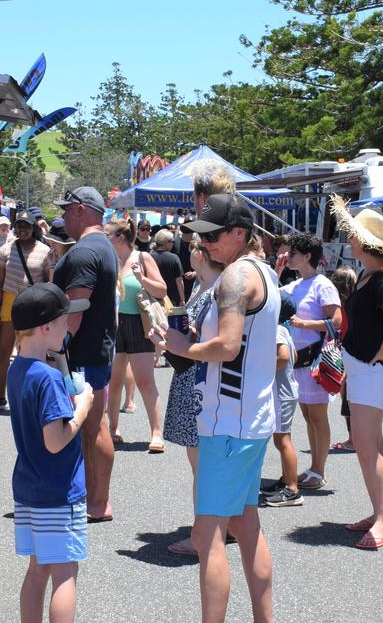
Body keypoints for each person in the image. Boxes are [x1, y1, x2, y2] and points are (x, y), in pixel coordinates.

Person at [159, 193, 279, 623]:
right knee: (245, 526)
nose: (204, 244)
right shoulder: (262, 272)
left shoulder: (234, 278)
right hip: (247, 419)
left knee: (207, 533)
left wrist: (183, 345)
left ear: (239, 234)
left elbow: (228, 348)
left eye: (212, 236)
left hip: (227, 422)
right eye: (201, 235)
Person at [7, 283, 94, 623]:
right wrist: (83, 406)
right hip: (59, 490)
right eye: (64, 321)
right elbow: (55, 440)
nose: (69, 326)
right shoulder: (49, 380)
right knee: (64, 572)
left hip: (29, 487)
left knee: (38, 569)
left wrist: (57, 363)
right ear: (46, 327)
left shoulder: (19, 369)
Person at [330, 203, 383, 551]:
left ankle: (382, 519)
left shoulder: (378, 278)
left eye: (353, 235)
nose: (349, 239)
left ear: (364, 242)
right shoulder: (368, 274)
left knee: (366, 445)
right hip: (365, 368)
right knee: (372, 444)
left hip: (372, 370)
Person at [52, 187, 118, 523]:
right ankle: (95, 499)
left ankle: (96, 501)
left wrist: (55, 347)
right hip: (95, 350)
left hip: (81, 353)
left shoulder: (84, 252)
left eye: (66, 210)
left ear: (80, 210)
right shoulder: (102, 246)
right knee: (93, 425)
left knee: (90, 426)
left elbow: (75, 308)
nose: (63, 216)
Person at [164, 234, 226, 554]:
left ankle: (205, 533)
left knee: (202, 463)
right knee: (201, 461)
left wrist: (179, 338)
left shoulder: (215, 290)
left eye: (193, 248)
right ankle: (215, 527)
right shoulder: (202, 287)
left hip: (199, 380)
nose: (190, 252)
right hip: (192, 376)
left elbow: (213, 338)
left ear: (202, 255)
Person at [281, 232, 342, 491]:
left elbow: (337, 321)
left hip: (315, 358)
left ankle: (320, 469)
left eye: (292, 253)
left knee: (317, 416)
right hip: (298, 360)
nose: (287, 256)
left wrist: (305, 323)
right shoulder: (295, 284)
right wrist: (278, 267)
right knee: (308, 415)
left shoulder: (322, 284)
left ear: (307, 256)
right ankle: (315, 467)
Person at [104, 218, 168, 451]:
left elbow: (161, 289)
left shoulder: (142, 257)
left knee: (144, 381)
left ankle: (156, 433)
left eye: (107, 235)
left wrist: (141, 278)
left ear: (120, 237)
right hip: (113, 325)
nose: (104, 239)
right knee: (114, 380)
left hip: (139, 324)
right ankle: (113, 428)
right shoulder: (107, 259)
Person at [0, 212, 55, 409]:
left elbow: (49, 283)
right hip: (9, 302)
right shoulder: (6, 249)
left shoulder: (45, 251)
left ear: (34, 228)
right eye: (19, 225)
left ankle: (27, 396)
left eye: (26, 226)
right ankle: (1, 396)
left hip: (32, 306)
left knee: (29, 352)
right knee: (3, 352)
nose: (22, 229)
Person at [261, 291, 302, 507]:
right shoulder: (284, 330)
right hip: (285, 392)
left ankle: (292, 489)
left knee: (283, 440)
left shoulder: (276, 330)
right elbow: (293, 357)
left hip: (281, 394)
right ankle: (286, 479)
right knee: (280, 439)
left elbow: (285, 357)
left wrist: (263, 369)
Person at [329, 265, 358, 452]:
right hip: (356, 352)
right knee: (355, 398)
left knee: (348, 397)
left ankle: (353, 440)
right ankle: (355, 438)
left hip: (344, 352)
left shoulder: (335, 306)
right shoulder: (357, 302)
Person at [151, 229, 186, 307]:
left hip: (152, 297)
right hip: (171, 299)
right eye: (172, 241)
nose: (173, 244)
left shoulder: (148, 256)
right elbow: (179, 281)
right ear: (166, 242)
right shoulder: (174, 258)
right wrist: (182, 299)